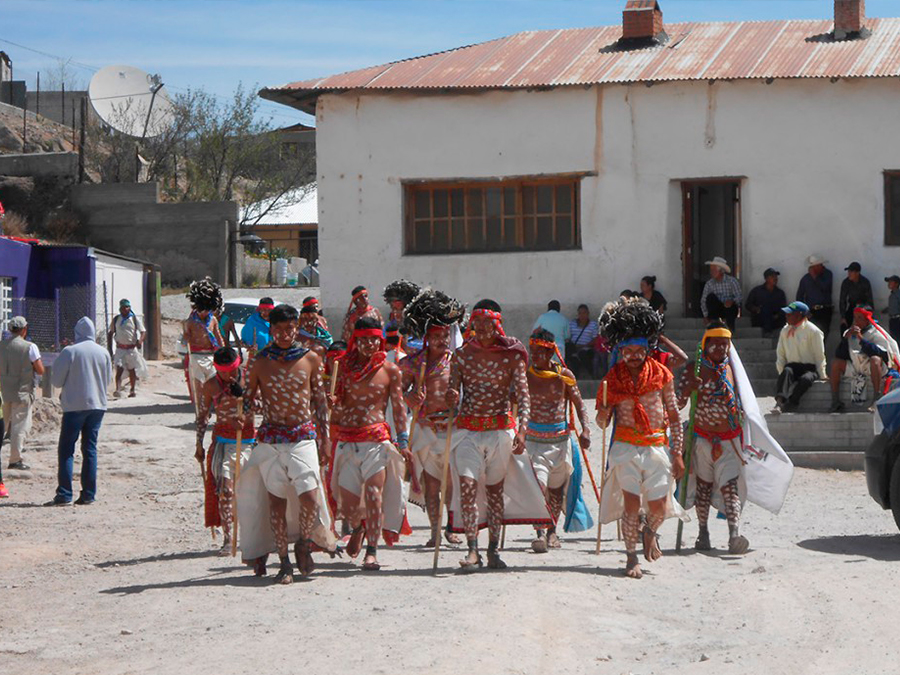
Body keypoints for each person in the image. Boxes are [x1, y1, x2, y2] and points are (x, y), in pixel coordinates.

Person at [446, 300, 549, 571]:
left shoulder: (512, 355)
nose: (481, 329)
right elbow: (451, 395)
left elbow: (524, 398)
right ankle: (472, 549)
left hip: (500, 431)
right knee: (467, 488)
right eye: (477, 324)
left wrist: (522, 430)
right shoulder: (461, 355)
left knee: (494, 493)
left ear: (497, 324)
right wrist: (450, 398)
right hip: (467, 431)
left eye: (487, 324)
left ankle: (492, 549)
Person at [237, 304, 337, 583]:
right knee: (276, 503)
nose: (284, 334)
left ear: (296, 328)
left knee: (310, 497)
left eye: (289, 329)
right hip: (270, 438)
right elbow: (248, 397)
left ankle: (305, 541)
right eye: (279, 329)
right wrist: (242, 413)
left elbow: (319, 401)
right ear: (271, 330)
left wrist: (325, 438)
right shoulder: (259, 362)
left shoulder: (311, 358)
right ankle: (283, 562)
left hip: (303, 436)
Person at [595, 298, 685, 579]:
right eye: (628, 351)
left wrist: (678, 453)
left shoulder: (662, 375)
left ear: (647, 350)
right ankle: (631, 557)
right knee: (631, 505)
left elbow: (673, 415)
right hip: (625, 448)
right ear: (620, 351)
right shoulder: (612, 379)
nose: (634, 355)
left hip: (657, 447)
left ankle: (650, 530)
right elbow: (601, 422)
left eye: (639, 350)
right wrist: (605, 411)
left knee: (658, 507)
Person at [330, 316, 412, 571]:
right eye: (363, 339)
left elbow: (398, 408)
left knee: (375, 495)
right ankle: (358, 527)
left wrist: (403, 441)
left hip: (377, 440)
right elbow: (335, 405)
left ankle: (372, 552)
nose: (368, 344)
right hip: (347, 439)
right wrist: (332, 403)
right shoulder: (341, 366)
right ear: (355, 340)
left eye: (373, 339)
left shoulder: (390, 371)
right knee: (350, 506)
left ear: (381, 340)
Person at [398, 288, 466, 547]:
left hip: (452, 428)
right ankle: (434, 530)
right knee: (431, 485)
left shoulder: (458, 363)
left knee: (450, 483)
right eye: (436, 336)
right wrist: (410, 397)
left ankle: (450, 527)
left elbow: (469, 393)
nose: (442, 341)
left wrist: (457, 399)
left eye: (445, 336)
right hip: (425, 429)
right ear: (427, 338)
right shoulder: (414, 363)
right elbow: (399, 391)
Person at [678, 321, 749, 554]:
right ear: (705, 344)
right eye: (715, 344)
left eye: (724, 344)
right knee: (703, 488)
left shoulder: (735, 370)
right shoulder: (693, 369)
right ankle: (703, 532)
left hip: (728, 439)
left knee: (730, 487)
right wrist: (689, 389)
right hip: (701, 439)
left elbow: (745, 403)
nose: (720, 349)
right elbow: (678, 403)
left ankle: (734, 534)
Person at [525, 328, 590, 553]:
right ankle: (540, 533)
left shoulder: (565, 376)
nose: (534, 356)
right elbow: (516, 403)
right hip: (533, 442)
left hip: (560, 442)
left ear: (551, 352)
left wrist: (586, 431)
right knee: (538, 486)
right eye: (532, 351)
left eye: (539, 352)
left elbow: (580, 404)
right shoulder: (526, 375)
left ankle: (552, 531)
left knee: (555, 491)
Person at [195, 347, 255, 555]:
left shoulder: (250, 378)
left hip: (248, 441)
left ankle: (257, 536)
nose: (228, 376)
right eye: (223, 372)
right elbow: (203, 416)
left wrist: (245, 406)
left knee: (255, 492)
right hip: (223, 441)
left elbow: (261, 406)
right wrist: (199, 444)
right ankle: (229, 538)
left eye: (231, 371)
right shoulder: (211, 385)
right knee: (225, 490)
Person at [46, 318, 112, 506]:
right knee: (90, 449)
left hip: (74, 406)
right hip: (98, 405)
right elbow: (107, 379)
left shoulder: (70, 352)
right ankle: (88, 494)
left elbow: (56, 381)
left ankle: (65, 493)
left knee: (67, 449)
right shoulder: (103, 352)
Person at [829, 306, 900, 412]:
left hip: (874, 367)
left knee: (875, 359)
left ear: (867, 320)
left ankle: (877, 397)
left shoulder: (876, 333)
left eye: (859, 318)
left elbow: (879, 353)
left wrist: (860, 338)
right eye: (855, 318)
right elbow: (840, 354)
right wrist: (845, 340)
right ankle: (835, 401)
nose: (856, 321)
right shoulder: (851, 332)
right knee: (836, 363)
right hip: (857, 365)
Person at [0, 316, 44, 471]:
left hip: (4, 392)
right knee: (19, 426)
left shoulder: (2, 346)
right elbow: (40, 369)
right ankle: (15, 459)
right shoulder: (30, 347)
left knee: (2, 426)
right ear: (24, 329)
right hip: (22, 392)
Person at [773, 302, 827, 413]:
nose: (786, 316)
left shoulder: (814, 331)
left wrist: (822, 374)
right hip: (792, 367)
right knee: (786, 371)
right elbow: (781, 353)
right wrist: (781, 372)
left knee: (806, 379)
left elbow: (819, 354)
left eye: (790, 314)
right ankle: (779, 403)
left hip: (809, 367)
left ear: (799, 315)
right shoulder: (785, 331)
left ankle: (792, 402)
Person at [184, 278, 224, 404]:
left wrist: (223, 351)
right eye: (203, 309)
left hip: (210, 356)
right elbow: (185, 340)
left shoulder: (213, 320)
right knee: (198, 386)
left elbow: (218, 337)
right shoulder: (190, 322)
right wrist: (186, 337)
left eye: (208, 310)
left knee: (213, 384)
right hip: (195, 356)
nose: (205, 312)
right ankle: (201, 412)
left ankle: (210, 407)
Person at [107, 298, 147, 398]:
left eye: (127, 307)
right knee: (119, 368)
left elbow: (143, 331)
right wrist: (110, 349)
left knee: (131, 370)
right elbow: (110, 333)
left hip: (131, 349)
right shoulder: (116, 319)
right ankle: (118, 389)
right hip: (120, 349)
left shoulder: (133, 319)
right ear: (120, 309)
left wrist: (140, 341)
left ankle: (132, 390)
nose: (125, 309)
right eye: (123, 307)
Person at [796, 255, 834, 340]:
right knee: (812, 335)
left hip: (825, 309)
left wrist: (815, 277)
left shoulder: (828, 274)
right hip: (811, 311)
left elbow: (824, 287)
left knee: (824, 333)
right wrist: (804, 312)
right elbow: (799, 296)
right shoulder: (805, 279)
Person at [700, 257, 742, 331]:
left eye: (713, 270)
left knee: (731, 308)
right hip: (716, 309)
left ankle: (730, 330)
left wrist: (732, 301)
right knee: (710, 297)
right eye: (711, 270)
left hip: (729, 308)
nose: (711, 272)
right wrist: (705, 315)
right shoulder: (709, 284)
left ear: (721, 271)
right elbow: (703, 300)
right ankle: (714, 326)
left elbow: (739, 296)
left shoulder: (732, 281)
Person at [745, 268, 787, 336]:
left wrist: (778, 315)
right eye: (772, 277)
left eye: (776, 277)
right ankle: (767, 332)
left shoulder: (780, 293)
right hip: (760, 318)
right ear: (766, 279)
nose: (775, 279)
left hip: (775, 319)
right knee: (765, 309)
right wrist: (756, 309)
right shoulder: (757, 291)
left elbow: (784, 307)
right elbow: (748, 305)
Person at [566, 304, 599, 379]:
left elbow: (595, 339)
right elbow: (568, 337)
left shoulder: (593, 325)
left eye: (584, 313)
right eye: (580, 313)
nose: (582, 315)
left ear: (588, 313)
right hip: (574, 347)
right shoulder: (572, 324)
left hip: (587, 348)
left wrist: (584, 346)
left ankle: (592, 374)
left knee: (582, 354)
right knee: (572, 355)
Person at [839, 262, 874, 332]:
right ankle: (844, 342)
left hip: (863, 307)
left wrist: (869, 315)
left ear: (857, 273)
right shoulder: (846, 282)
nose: (849, 274)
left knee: (865, 328)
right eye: (848, 271)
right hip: (852, 307)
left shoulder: (865, 282)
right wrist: (843, 317)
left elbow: (869, 300)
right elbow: (842, 300)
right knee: (844, 326)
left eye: (851, 272)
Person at [884, 275, 900, 343]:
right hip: (892, 320)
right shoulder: (892, 295)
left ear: (896, 284)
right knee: (893, 339)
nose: (889, 283)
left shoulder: (898, 294)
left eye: (891, 282)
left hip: (898, 320)